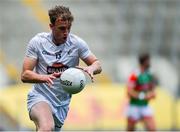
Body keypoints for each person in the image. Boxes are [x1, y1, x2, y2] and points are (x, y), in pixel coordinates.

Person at [21, 5, 102, 131]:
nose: (66, 32)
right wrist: (44, 78)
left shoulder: (76, 44)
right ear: (51, 27)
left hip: (62, 104)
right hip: (40, 97)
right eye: (62, 28)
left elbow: (97, 64)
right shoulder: (37, 42)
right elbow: (25, 74)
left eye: (68, 28)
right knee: (47, 128)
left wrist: (92, 68)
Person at [126, 53, 156, 131]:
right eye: (148, 60)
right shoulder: (134, 74)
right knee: (130, 129)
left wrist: (152, 94)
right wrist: (143, 96)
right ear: (144, 62)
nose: (150, 62)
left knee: (152, 128)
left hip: (145, 106)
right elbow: (129, 92)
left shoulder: (149, 74)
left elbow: (153, 90)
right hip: (134, 106)